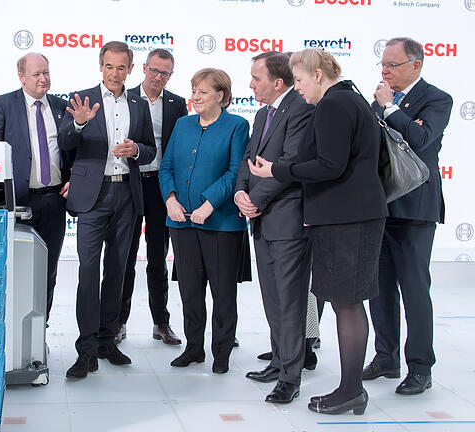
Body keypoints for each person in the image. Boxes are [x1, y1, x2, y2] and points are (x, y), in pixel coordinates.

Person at [249, 48, 387, 415]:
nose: (299, 90)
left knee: (346, 304)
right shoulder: (352, 99)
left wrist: (277, 171)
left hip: (347, 219)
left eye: (300, 81)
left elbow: (328, 165)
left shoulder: (332, 105)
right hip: (353, 216)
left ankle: (351, 390)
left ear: (319, 76)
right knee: (347, 303)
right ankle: (350, 388)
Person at [59, 41, 156, 379]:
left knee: (117, 271)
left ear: (131, 69)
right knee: (88, 272)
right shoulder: (80, 98)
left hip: (127, 196)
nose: (115, 73)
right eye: (109, 66)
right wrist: (80, 124)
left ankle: (106, 340)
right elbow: (65, 143)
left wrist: (136, 150)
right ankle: (85, 351)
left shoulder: (139, 105)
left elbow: (150, 149)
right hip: (92, 197)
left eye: (122, 67)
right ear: (101, 66)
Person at [364, 37, 452, 395]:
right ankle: (386, 357)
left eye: (393, 65)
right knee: (380, 288)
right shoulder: (376, 103)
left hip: (414, 210)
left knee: (414, 289)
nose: (385, 71)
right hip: (378, 208)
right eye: (383, 64)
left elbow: (421, 139)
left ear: (416, 65)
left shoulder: (436, 99)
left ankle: (420, 366)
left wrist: (389, 109)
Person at [235, 51, 314, 403]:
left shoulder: (301, 109)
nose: (250, 85)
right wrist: (240, 192)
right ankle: (279, 359)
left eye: (256, 78)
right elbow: (249, 160)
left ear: (278, 82)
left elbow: (290, 163)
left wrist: (257, 200)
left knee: (291, 300)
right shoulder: (263, 113)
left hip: (287, 220)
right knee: (271, 296)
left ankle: (291, 376)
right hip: (262, 220)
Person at [160, 68, 249, 374]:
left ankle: (221, 352)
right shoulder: (183, 124)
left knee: (223, 291)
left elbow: (236, 171)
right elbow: (167, 166)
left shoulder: (237, 125)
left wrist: (209, 204)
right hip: (181, 222)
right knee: (190, 289)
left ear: (221, 95)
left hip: (222, 224)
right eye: (194, 90)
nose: (195, 97)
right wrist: (170, 199)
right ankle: (194, 348)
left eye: (203, 92)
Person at [0, 53, 73, 323]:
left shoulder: (62, 106)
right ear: (21, 77)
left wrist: (74, 178)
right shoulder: (4, 105)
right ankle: (13, 326)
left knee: (48, 269)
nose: (43, 78)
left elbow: (74, 149)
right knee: (17, 267)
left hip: (55, 200)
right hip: (19, 202)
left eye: (46, 72)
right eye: (36, 74)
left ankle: (39, 326)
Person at [117, 49, 188, 346]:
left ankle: (161, 322)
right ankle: (118, 322)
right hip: (131, 184)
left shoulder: (177, 104)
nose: (158, 77)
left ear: (171, 75)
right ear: (143, 69)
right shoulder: (126, 98)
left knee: (158, 258)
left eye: (165, 73)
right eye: (154, 71)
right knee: (124, 258)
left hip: (161, 186)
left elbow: (181, 147)